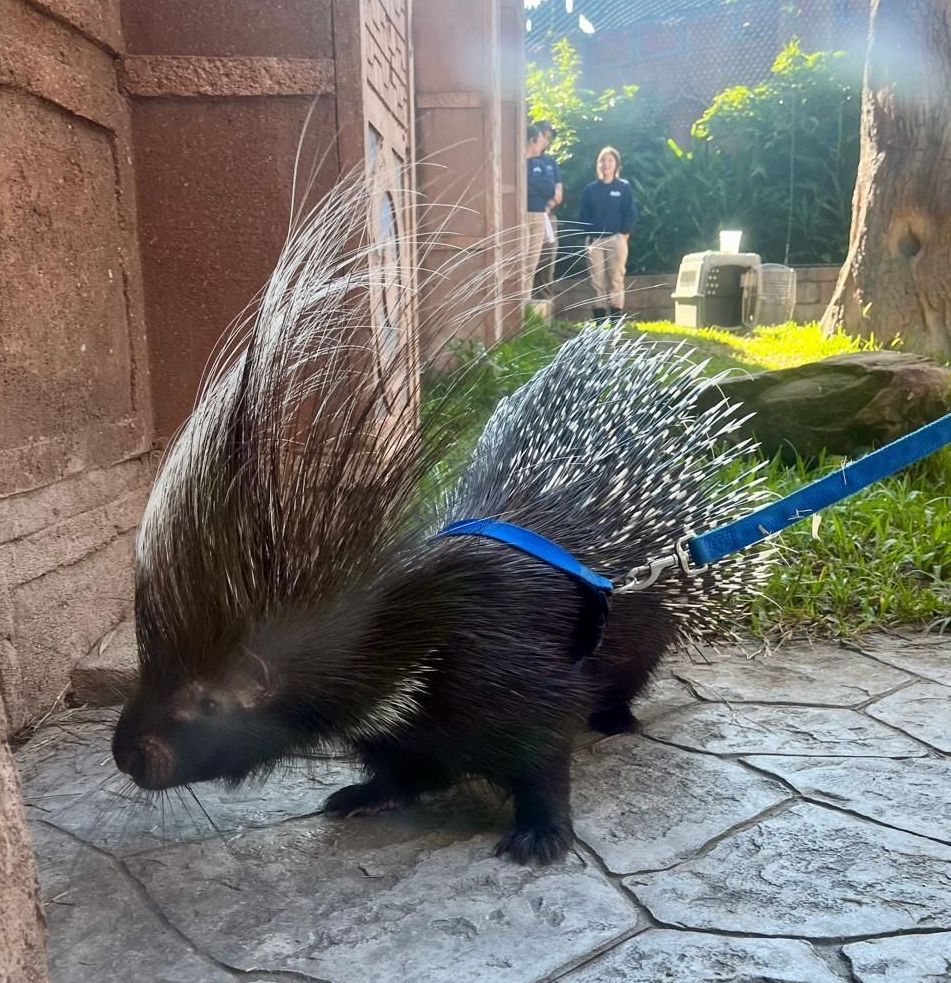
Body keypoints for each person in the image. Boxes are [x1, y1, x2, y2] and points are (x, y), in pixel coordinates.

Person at [578, 146, 638, 323]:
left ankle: (615, 323)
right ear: (598, 164)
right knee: (597, 282)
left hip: (616, 239)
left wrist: (625, 233)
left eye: (610, 160)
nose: (606, 164)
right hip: (595, 240)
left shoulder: (623, 187)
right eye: (603, 160)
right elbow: (584, 214)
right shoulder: (590, 189)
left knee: (616, 279)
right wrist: (587, 235)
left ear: (616, 164)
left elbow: (630, 212)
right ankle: (600, 322)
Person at [525, 124, 557, 303]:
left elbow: (549, 189)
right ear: (532, 141)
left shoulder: (542, 164)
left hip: (539, 216)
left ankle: (526, 305)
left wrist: (530, 186)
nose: (542, 145)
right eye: (540, 141)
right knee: (520, 263)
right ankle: (518, 304)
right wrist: (533, 187)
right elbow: (518, 188)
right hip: (522, 215)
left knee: (532, 264)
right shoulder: (516, 162)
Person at [532, 120, 563, 299]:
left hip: (548, 217)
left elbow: (558, 193)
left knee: (547, 262)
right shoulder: (525, 159)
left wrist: (548, 205)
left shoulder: (551, 162)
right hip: (530, 215)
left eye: (548, 138)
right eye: (543, 136)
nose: (545, 141)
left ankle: (546, 307)